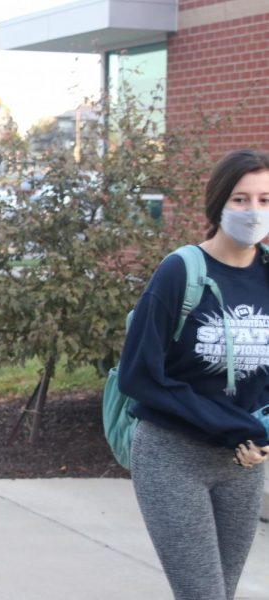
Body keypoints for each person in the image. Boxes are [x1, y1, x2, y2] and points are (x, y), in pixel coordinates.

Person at [118, 149, 269, 600]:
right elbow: (138, 375)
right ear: (218, 204)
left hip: (244, 462)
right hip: (172, 457)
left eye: (265, 199)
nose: (254, 211)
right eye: (241, 200)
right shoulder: (181, 271)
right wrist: (231, 426)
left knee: (222, 591)